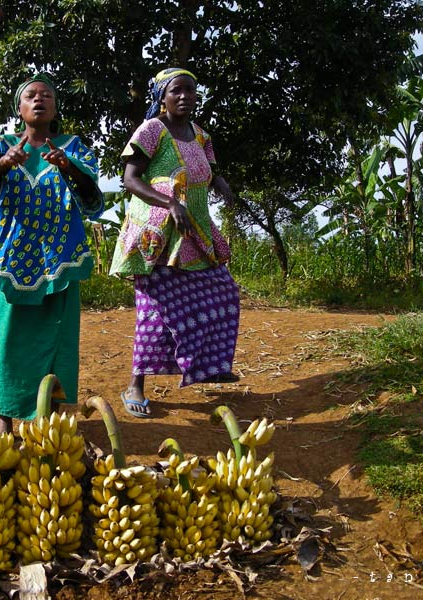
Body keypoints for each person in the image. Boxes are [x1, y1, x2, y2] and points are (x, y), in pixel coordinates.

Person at [0, 73, 104, 433]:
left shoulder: (72, 145)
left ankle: (53, 417)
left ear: (55, 107)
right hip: (14, 252)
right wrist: (3, 163)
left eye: (46, 95)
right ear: (20, 108)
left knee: (59, 331)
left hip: (59, 254)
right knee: (10, 334)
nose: (39, 99)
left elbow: (92, 194)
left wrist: (67, 165)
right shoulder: (2, 143)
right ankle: (5, 416)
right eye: (31, 95)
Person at [109, 67, 240, 418]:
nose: (184, 97)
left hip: (195, 230)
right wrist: (168, 202)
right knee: (155, 311)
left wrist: (221, 185)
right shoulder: (152, 130)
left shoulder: (200, 136)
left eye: (190, 91)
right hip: (159, 236)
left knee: (222, 294)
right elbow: (131, 179)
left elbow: (210, 171)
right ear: (162, 98)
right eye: (176, 91)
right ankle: (135, 385)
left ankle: (211, 366)